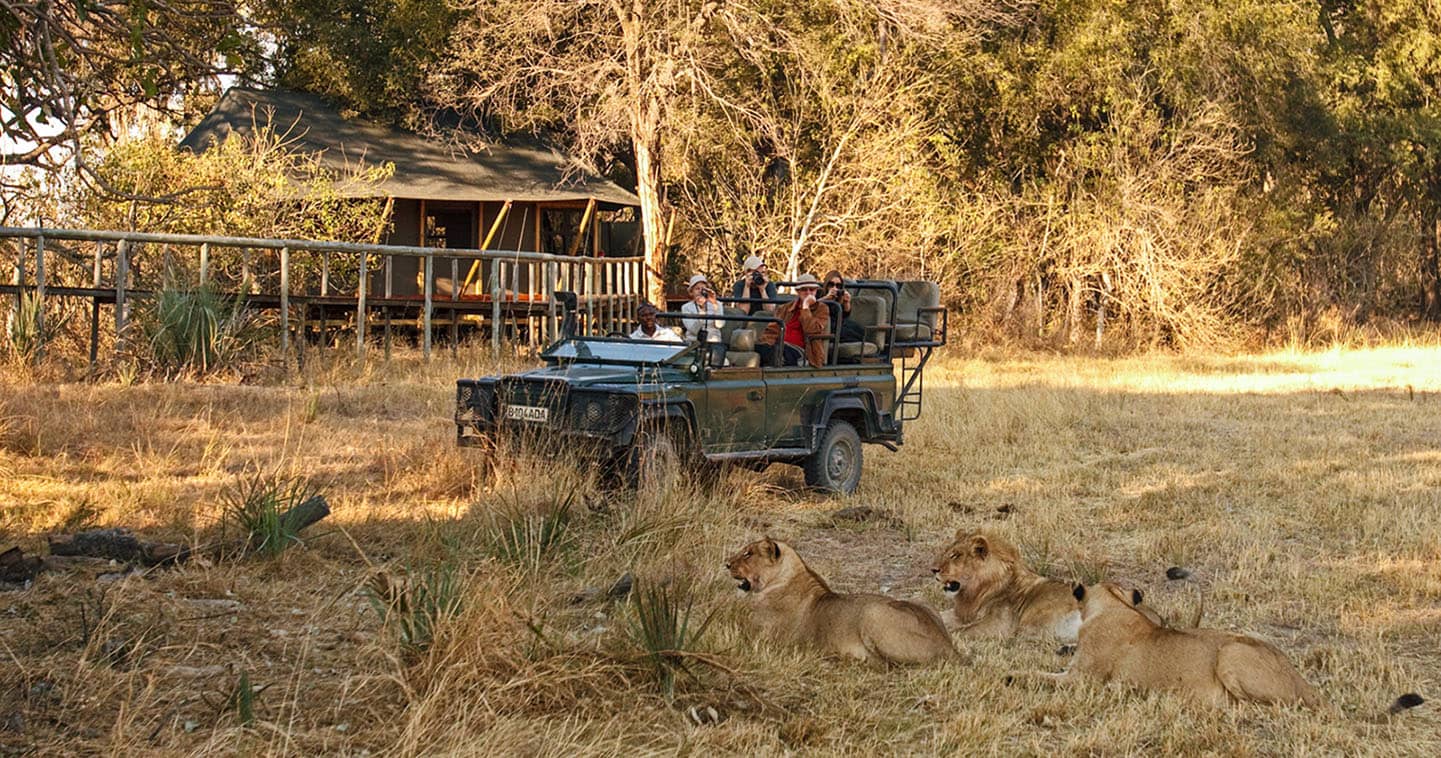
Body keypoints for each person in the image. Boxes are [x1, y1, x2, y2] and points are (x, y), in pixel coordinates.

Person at [758, 273, 832, 367]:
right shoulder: (785, 308)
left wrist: (806, 307)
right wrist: (767, 343)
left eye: (812, 289)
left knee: (779, 352)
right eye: (804, 289)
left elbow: (812, 329)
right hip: (780, 345)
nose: (808, 293)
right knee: (760, 348)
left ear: (816, 291)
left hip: (803, 351)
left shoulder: (821, 308)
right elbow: (772, 330)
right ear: (798, 291)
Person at [680, 273, 726, 365]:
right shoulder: (686, 308)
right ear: (691, 292)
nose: (700, 291)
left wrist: (714, 305)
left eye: (703, 289)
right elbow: (694, 329)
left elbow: (720, 325)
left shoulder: (717, 304)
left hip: (714, 344)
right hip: (694, 343)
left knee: (723, 363)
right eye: (697, 289)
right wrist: (702, 310)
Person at [822, 269, 866, 343]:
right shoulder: (820, 293)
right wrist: (826, 298)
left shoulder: (839, 296)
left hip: (838, 322)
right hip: (826, 323)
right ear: (826, 284)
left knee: (859, 330)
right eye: (831, 284)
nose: (835, 288)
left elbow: (845, 315)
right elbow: (814, 305)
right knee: (847, 332)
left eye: (838, 285)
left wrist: (846, 302)